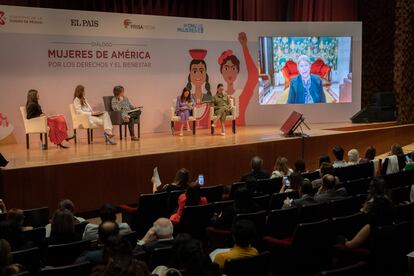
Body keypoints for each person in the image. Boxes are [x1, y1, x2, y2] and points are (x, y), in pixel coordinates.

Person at [218, 32, 258, 126]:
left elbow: (254, 76)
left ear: (237, 71)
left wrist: (244, 46)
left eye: (233, 68)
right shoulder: (217, 95)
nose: (230, 72)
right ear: (221, 71)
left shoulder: (242, 95)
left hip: (240, 135)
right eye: (226, 68)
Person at [344, 178, 395, 249]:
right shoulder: (390, 218)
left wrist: (342, 240)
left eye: (370, 187)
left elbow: (350, 245)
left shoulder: (370, 225)